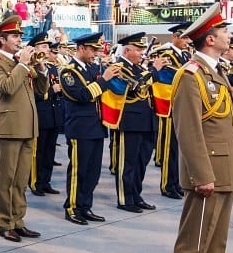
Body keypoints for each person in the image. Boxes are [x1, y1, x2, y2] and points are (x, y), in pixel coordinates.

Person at [171, 3, 233, 253]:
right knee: (194, 242)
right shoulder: (190, 76)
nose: (230, 35)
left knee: (216, 243)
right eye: (225, 31)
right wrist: (201, 175)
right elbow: (188, 129)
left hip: (225, 169)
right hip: (208, 172)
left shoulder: (217, 71)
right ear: (211, 38)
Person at [59, 32, 121, 225]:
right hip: (80, 128)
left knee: (93, 171)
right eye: (93, 49)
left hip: (96, 126)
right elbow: (83, 95)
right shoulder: (68, 72)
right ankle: (72, 207)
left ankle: (85, 206)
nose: (96, 53)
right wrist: (104, 80)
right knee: (79, 170)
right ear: (81, 48)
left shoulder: (93, 68)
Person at [0, 17, 41, 240]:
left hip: (28, 126)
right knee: (6, 178)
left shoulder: (22, 63)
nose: (19, 40)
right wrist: (22, 65)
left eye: (20, 36)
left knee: (21, 179)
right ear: (2, 39)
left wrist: (40, 67)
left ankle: (18, 219)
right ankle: (4, 222)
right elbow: (8, 88)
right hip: (9, 127)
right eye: (15, 37)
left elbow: (41, 88)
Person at [108, 32, 162, 213]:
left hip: (147, 120)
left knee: (141, 162)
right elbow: (133, 87)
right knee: (128, 162)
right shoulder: (118, 67)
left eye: (141, 49)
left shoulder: (140, 68)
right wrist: (153, 70)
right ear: (128, 50)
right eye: (138, 49)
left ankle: (136, 195)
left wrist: (151, 72)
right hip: (130, 121)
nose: (142, 53)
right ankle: (125, 198)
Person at [155, 24, 191, 198]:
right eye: (183, 38)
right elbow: (166, 80)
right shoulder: (167, 55)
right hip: (171, 107)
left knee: (181, 149)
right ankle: (168, 185)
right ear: (174, 37)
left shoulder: (185, 55)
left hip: (182, 107)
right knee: (170, 149)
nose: (187, 41)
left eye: (187, 38)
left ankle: (177, 182)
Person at [30, 40, 64, 197]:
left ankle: (46, 181)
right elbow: (32, 94)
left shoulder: (52, 68)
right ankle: (35, 182)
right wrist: (51, 91)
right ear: (35, 49)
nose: (47, 49)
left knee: (50, 152)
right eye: (43, 47)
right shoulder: (31, 68)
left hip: (53, 114)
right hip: (41, 114)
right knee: (39, 152)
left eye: (47, 47)